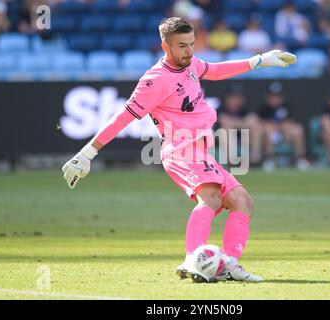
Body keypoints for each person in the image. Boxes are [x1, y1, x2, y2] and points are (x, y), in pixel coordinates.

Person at [61, 17, 296, 283]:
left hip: (200, 148)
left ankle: (228, 264)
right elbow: (123, 117)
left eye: (192, 44)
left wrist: (259, 60)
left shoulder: (192, 63)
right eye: (182, 46)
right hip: (179, 147)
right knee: (210, 197)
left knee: (243, 201)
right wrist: (87, 153)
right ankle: (193, 259)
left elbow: (216, 70)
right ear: (165, 46)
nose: (189, 51)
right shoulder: (154, 80)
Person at [257, 82, 309, 171]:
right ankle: (269, 159)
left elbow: (289, 122)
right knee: (268, 129)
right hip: (269, 135)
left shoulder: (286, 107)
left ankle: (300, 158)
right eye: (272, 96)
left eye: (277, 96)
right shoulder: (263, 108)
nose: (275, 99)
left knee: (297, 130)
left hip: (284, 134)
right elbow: (260, 124)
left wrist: (281, 127)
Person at [217, 83, 262, 166]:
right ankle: (231, 160)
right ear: (227, 98)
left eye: (238, 97)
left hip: (241, 137)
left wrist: (236, 123)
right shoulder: (221, 109)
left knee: (256, 129)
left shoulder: (244, 109)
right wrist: (242, 123)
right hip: (220, 139)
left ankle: (255, 161)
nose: (236, 100)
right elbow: (225, 122)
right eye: (233, 97)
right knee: (225, 130)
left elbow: (253, 120)